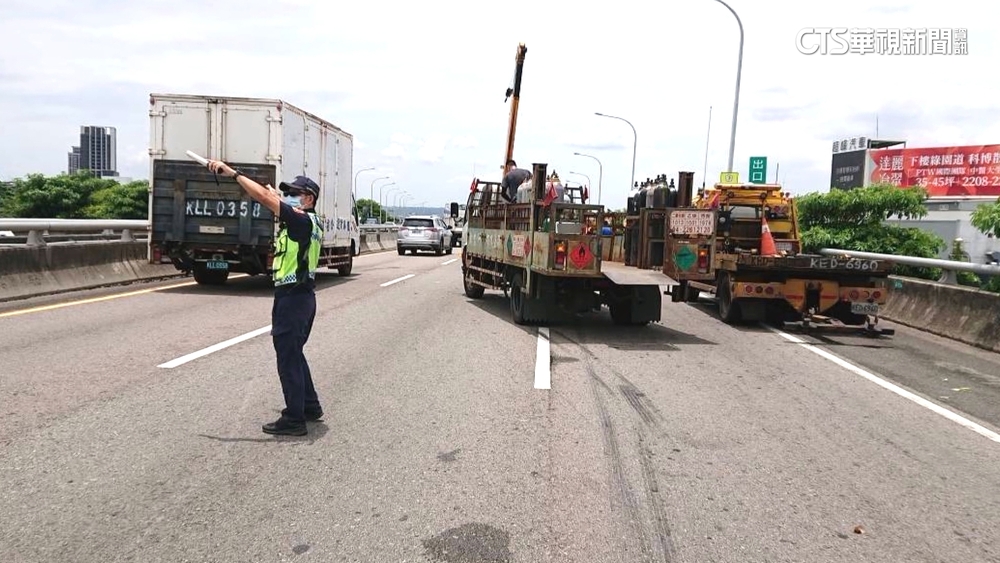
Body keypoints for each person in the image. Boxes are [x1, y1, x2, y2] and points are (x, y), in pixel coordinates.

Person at [206, 159, 324, 437]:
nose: (289, 196)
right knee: (294, 353)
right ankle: (309, 405)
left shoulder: (300, 221)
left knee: (287, 357)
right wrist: (273, 194)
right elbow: (270, 196)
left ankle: (294, 418)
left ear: (308, 199)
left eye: (294, 193)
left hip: (293, 298)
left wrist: (233, 173)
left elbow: (262, 197)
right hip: (300, 296)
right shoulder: (309, 221)